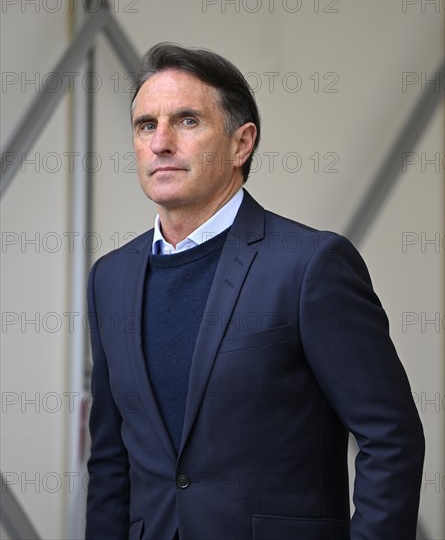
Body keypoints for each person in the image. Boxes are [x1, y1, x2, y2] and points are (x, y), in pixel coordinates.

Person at [85, 42, 425, 540]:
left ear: (241, 144)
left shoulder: (310, 265)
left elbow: (391, 437)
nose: (160, 143)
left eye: (187, 121)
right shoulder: (109, 279)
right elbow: (111, 461)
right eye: (145, 125)